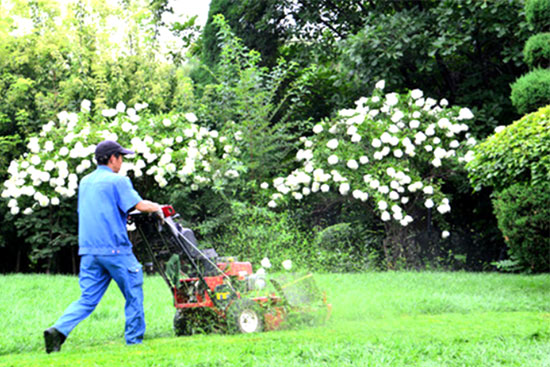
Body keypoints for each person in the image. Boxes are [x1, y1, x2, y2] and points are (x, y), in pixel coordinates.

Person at [43, 140, 163, 353]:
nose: (122, 162)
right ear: (112, 158)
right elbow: (140, 205)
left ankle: (58, 331)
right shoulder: (118, 181)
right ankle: (134, 342)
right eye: (121, 157)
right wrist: (159, 208)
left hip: (89, 251)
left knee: (87, 299)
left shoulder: (85, 182)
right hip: (115, 249)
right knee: (133, 291)